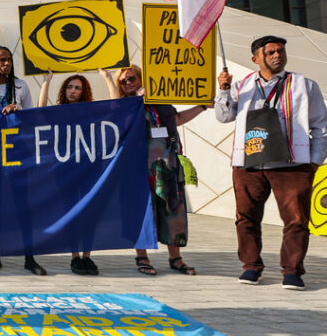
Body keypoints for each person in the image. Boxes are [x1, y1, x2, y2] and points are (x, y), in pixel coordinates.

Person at [215, 35, 327, 290]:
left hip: (291, 164)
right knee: (246, 218)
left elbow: (321, 125)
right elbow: (224, 117)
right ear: (256, 59)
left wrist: (314, 161)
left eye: (281, 51)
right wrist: (223, 89)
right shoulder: (242, 85)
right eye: (271, 52)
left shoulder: (304, 85)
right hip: (249, 163)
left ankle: (292, 271)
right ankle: (251, 267)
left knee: (297, 220)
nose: (278, 55)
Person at [109, 64, 204, 276]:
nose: (128, 83)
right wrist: (136, 101)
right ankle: (142, 256)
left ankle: (175, 257)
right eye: (123, 82)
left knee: (173, 209)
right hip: (139, 167)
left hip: (167, 164)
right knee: (143, 211)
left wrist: (202, 106)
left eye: (131, 78)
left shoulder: (160, 100)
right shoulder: (125, 105)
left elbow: (177, 120)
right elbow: (118, 122)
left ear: (142, 78)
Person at [0, 45, 45, 275]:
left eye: (8, 59)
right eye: (1, 60)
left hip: (18, 155)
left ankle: (30, 257)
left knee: (23, 206)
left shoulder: (20, 86)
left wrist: (19, 112)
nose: (6, 63)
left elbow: (32, 118)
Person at [38, 70, 99, 275]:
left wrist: (108, 78)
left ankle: (87, 257)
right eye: (69, 87)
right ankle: (74, 257)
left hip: (88, 168)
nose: (73, 91)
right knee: (71, 212)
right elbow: (40, 112)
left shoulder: (91, 111)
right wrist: (47, 82)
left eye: (77, 88)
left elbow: (115, 108)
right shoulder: (59, 112)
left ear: (84, 91)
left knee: (90, 212)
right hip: (65, 170)